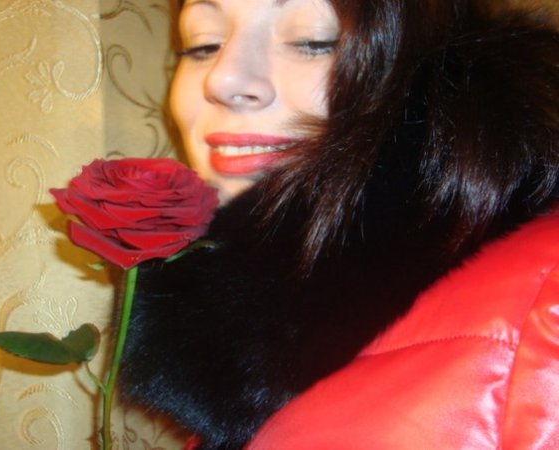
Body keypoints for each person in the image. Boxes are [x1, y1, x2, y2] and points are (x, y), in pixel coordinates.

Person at [119, 0, 559, 448]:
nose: (223, 79)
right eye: (203, 44)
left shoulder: (547, 308)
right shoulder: (245, 321)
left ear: (428, 71)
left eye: (311, 40)